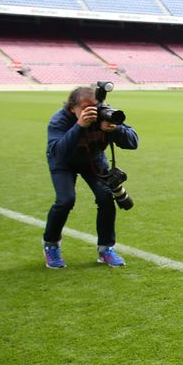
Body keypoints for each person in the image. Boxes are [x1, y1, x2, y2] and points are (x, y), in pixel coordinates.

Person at [43, 86, 139, 268]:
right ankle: (51, 245)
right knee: (65, 201)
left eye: (95, 106)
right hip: (63, 163)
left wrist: (115, 129)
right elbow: (58, 153)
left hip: (93, 160)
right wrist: (79, 126)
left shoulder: (105, 115)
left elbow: (133, 142)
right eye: (86, 108)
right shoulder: (60, 120)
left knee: (105, 198)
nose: (92, 111)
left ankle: (106, 249)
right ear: (73, 108)